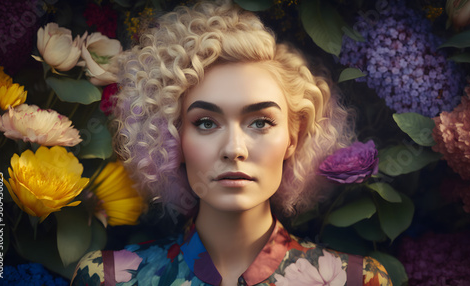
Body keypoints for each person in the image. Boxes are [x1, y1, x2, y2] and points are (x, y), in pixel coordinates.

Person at [71, 1, 392, 285]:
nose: (234, 149)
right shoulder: (108, 278)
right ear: (172, 138)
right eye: (206, 123)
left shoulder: (357, 280)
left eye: (261, 122)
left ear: (294, 137)